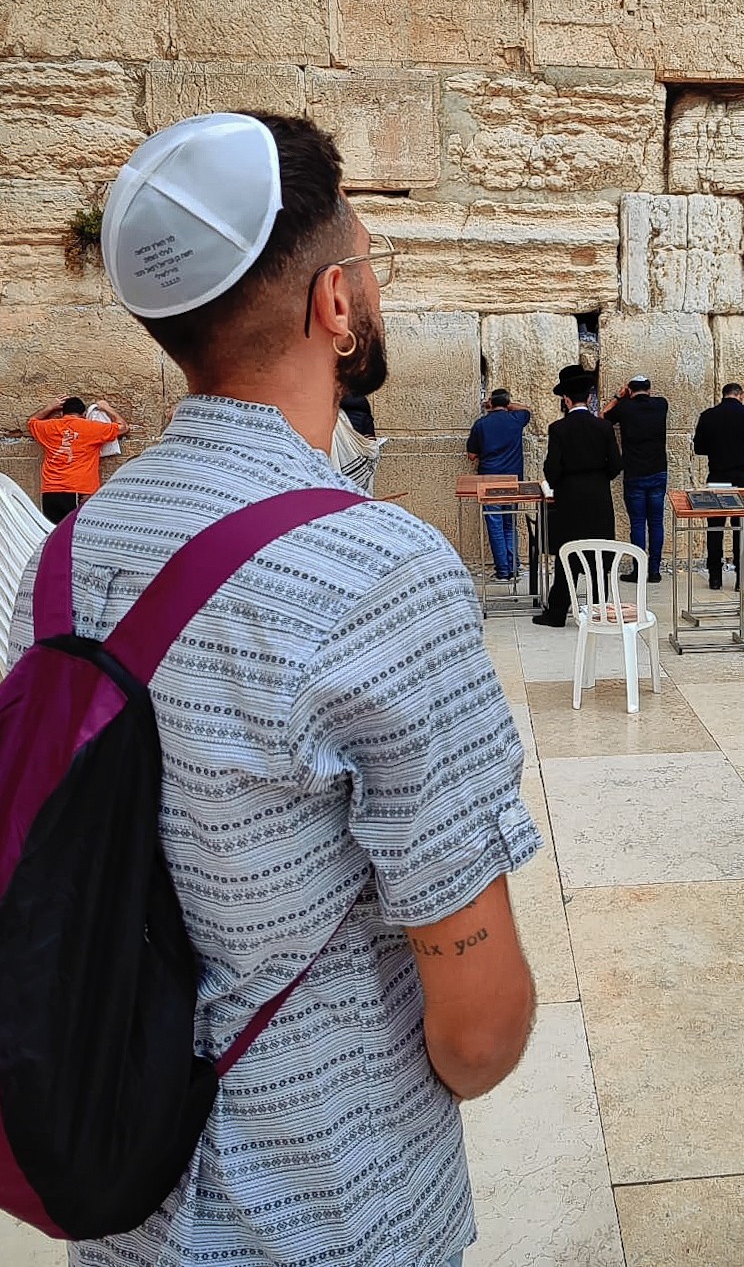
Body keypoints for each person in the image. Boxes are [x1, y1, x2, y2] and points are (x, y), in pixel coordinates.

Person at [10, 113, 538, 1267]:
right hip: (332, 1214)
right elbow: (480, 1033)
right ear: (334, 302)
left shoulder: (65, 557)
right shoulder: (382, 576)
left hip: (129, 1202)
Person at [533, 366, 622, 627]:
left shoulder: (559, 429)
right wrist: (597, 477)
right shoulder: (603, 427)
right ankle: (598, 612)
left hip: (570, 498)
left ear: (566, 399)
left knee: (567, 554)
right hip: (598, 498)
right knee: (597, 554)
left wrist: (560, 482)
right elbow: (616, 465)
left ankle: (558, 612)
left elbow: (553, 468)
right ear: (590, 398)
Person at [692, 383, 744, 591]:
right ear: (740, 395)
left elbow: (699, 448)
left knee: (715, 528)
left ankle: (715, 577)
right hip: (743, 480)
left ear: (723, 395)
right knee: (741, 528)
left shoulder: (708, 415)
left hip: (717, 479)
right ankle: (741, 578)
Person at [602, 375, 668, 583]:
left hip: (635, 474)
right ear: (649, 389)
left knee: (638, 523)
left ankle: (639, 570)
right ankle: (655, 571)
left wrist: (617, 397)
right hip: (658, 472)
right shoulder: (661, 404)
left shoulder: (625, 408)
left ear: (630, 390)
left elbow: (603, 416)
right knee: (656, 522)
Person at [26, 394, 129, 523]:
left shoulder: (48, 427)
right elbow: (123, 427)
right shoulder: (91, 428)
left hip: (50, 492)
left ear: (63, 413)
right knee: (76, 534)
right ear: (84, 413)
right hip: (79, 491)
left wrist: (50, 407)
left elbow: (31, 422)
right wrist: (106, 408)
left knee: (54, 534)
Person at [466, 388, 532, 580]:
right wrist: (505, 403)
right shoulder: (516, 419)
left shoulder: (480, 424)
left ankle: (503, 571)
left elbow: (472, 455)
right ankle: (514, 567)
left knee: (495, 524)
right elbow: (527, 409)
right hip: (513, 479)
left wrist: (493, 404)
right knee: (509, 523)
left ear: (490, 404)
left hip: (489, 480)